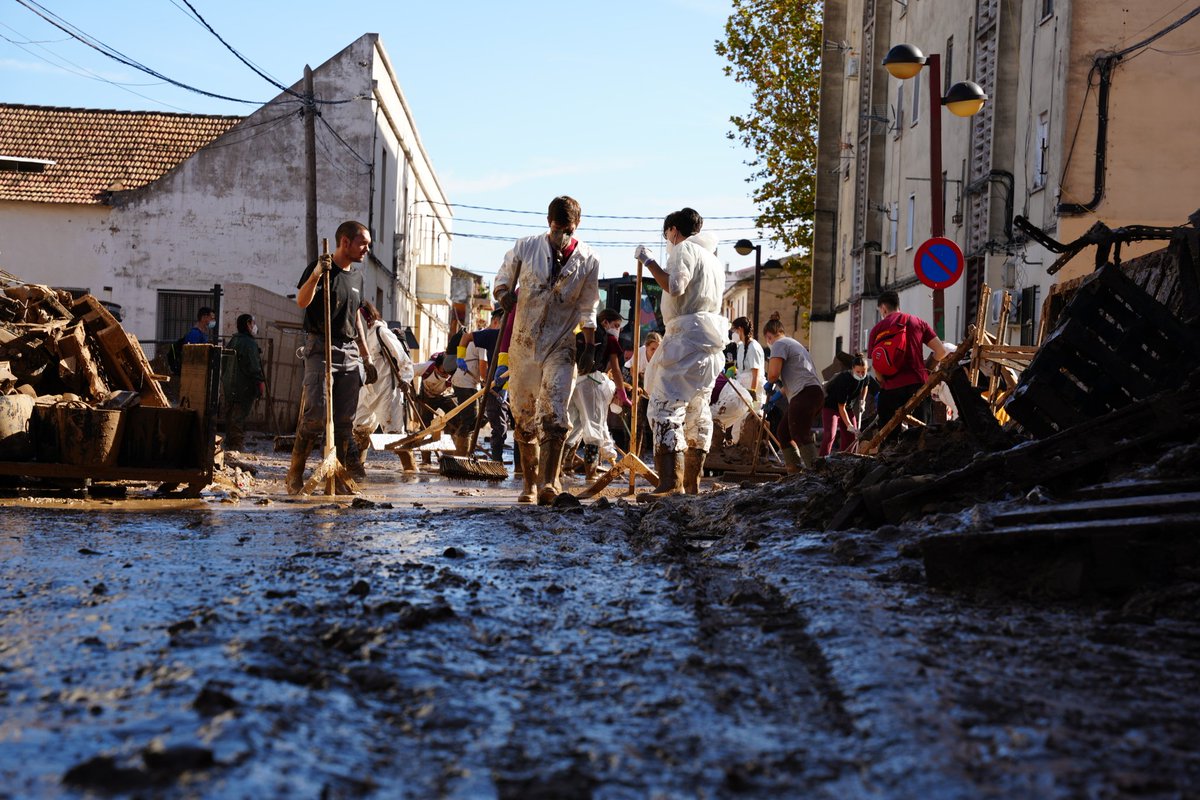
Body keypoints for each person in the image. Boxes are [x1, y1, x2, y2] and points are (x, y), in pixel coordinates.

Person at [493, 196, 601, 505]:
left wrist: (590, 344)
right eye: (555, 228)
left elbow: (588, 304)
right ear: (547, 223)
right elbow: (503, 277)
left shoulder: (589, 259)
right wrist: (503, 295)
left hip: (561, 343)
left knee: (554, 412)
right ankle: (529, 484)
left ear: (575, 226)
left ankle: (549, 483)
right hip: (524, 344)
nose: (559, 235)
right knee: (525, 416)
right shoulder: (526, 247)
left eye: (565, 230)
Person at [633, 208, 728, 499]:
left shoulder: (684, 248)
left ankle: (669, 485)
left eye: (667, 236)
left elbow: (675, 286)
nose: (667, 241)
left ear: (673, 230)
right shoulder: (713, 261)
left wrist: (648, 261)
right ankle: (692, 485)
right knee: (698, 413)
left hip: (686, 340)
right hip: (709, 343)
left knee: (664, 409)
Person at [286, 221, 377, 493]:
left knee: (344, 422)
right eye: (363, 243)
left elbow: (356, 319)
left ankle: (337, 477)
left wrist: (366, 355)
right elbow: (302, 302)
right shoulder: (321, 269)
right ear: (345, 242)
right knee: (316, 414)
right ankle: (295, 472)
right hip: (321, 347)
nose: (366, 249)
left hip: (349, 353)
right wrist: (315, 274)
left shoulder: (358, 278)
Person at [867, 290, 948, 430]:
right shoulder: (917, 322)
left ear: (883, 308)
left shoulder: (877, 329)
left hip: (890, 388)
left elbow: (876, 367)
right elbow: (941, 351)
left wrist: (882, 382)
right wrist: (927, 369)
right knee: (921, 433)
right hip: (917, 385)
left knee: (889, 436)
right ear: (898, 305)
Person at [352, 301, 415, 467]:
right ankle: (358, 470)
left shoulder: (381, 331)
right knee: (359, 429)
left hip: (386, 391)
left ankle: (410, 472)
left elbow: (402, 357)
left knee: (395, 436)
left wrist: (406, 379)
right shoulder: (358, 337)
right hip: (367, 390)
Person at [762, 318, 824, 472]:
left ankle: (816, 473)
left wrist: (770, 382)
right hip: (813, 393)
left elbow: (773, 374)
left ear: (769, 336)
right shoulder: (795, 344)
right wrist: (776, 396)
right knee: (784, 432)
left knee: (800, 434)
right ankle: (794, 471)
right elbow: (794, 379)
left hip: (805, 394)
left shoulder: (779, 344)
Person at [463, 308, 508, 464]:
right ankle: (497, 463)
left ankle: (519, 468)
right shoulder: (492, 335)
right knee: (500, 427)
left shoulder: (517, 337)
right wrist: (460, 357)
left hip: (511, 388)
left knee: (517, 428)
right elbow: (467, 337)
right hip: (495, 387)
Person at [222, 313, 265, 451]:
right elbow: (254, 366)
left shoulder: (234, 340)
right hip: (243, 387)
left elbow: (224, 363)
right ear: (247, 324)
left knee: (230, 417)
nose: (254, 326)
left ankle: (230, 444)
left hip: (229, 386)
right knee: (238, 418)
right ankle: (235, 446)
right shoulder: (249, 343)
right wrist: (259, 382)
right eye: (252, 323)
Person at [820, 353, 874, 457]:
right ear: (852, 369)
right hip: (831, 407)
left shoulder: (866, 377)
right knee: (830, 435)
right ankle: (822, 460)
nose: (861, 375)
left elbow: (865, 386)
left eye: (863, 371)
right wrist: (849, 425)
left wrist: (863, 400)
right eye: (858, 372)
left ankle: (845, 459)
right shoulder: (844, 380)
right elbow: (841, 407)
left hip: (847, 407)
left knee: (852, 437)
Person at [625, 331, 661, 459]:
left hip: (655, 388)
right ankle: (636, 454)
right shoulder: (640, 352)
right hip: (639, 385)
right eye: (652, 349)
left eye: (657, 349)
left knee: (656, 422)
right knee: (638, 422)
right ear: (646, 347)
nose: (655, 352)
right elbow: (633, 370)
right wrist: (637, 388)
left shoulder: (661, 355)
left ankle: (655, 455)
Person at [730, 316, 765, 406]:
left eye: (734, 330)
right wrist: (734, 371)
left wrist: (752, 393)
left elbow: (755, 375)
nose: (733, 333)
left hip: (753, 393)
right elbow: (744, 371)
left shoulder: (753, 347)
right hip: (743, 391)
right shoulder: (741, 347)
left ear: (740, 329)